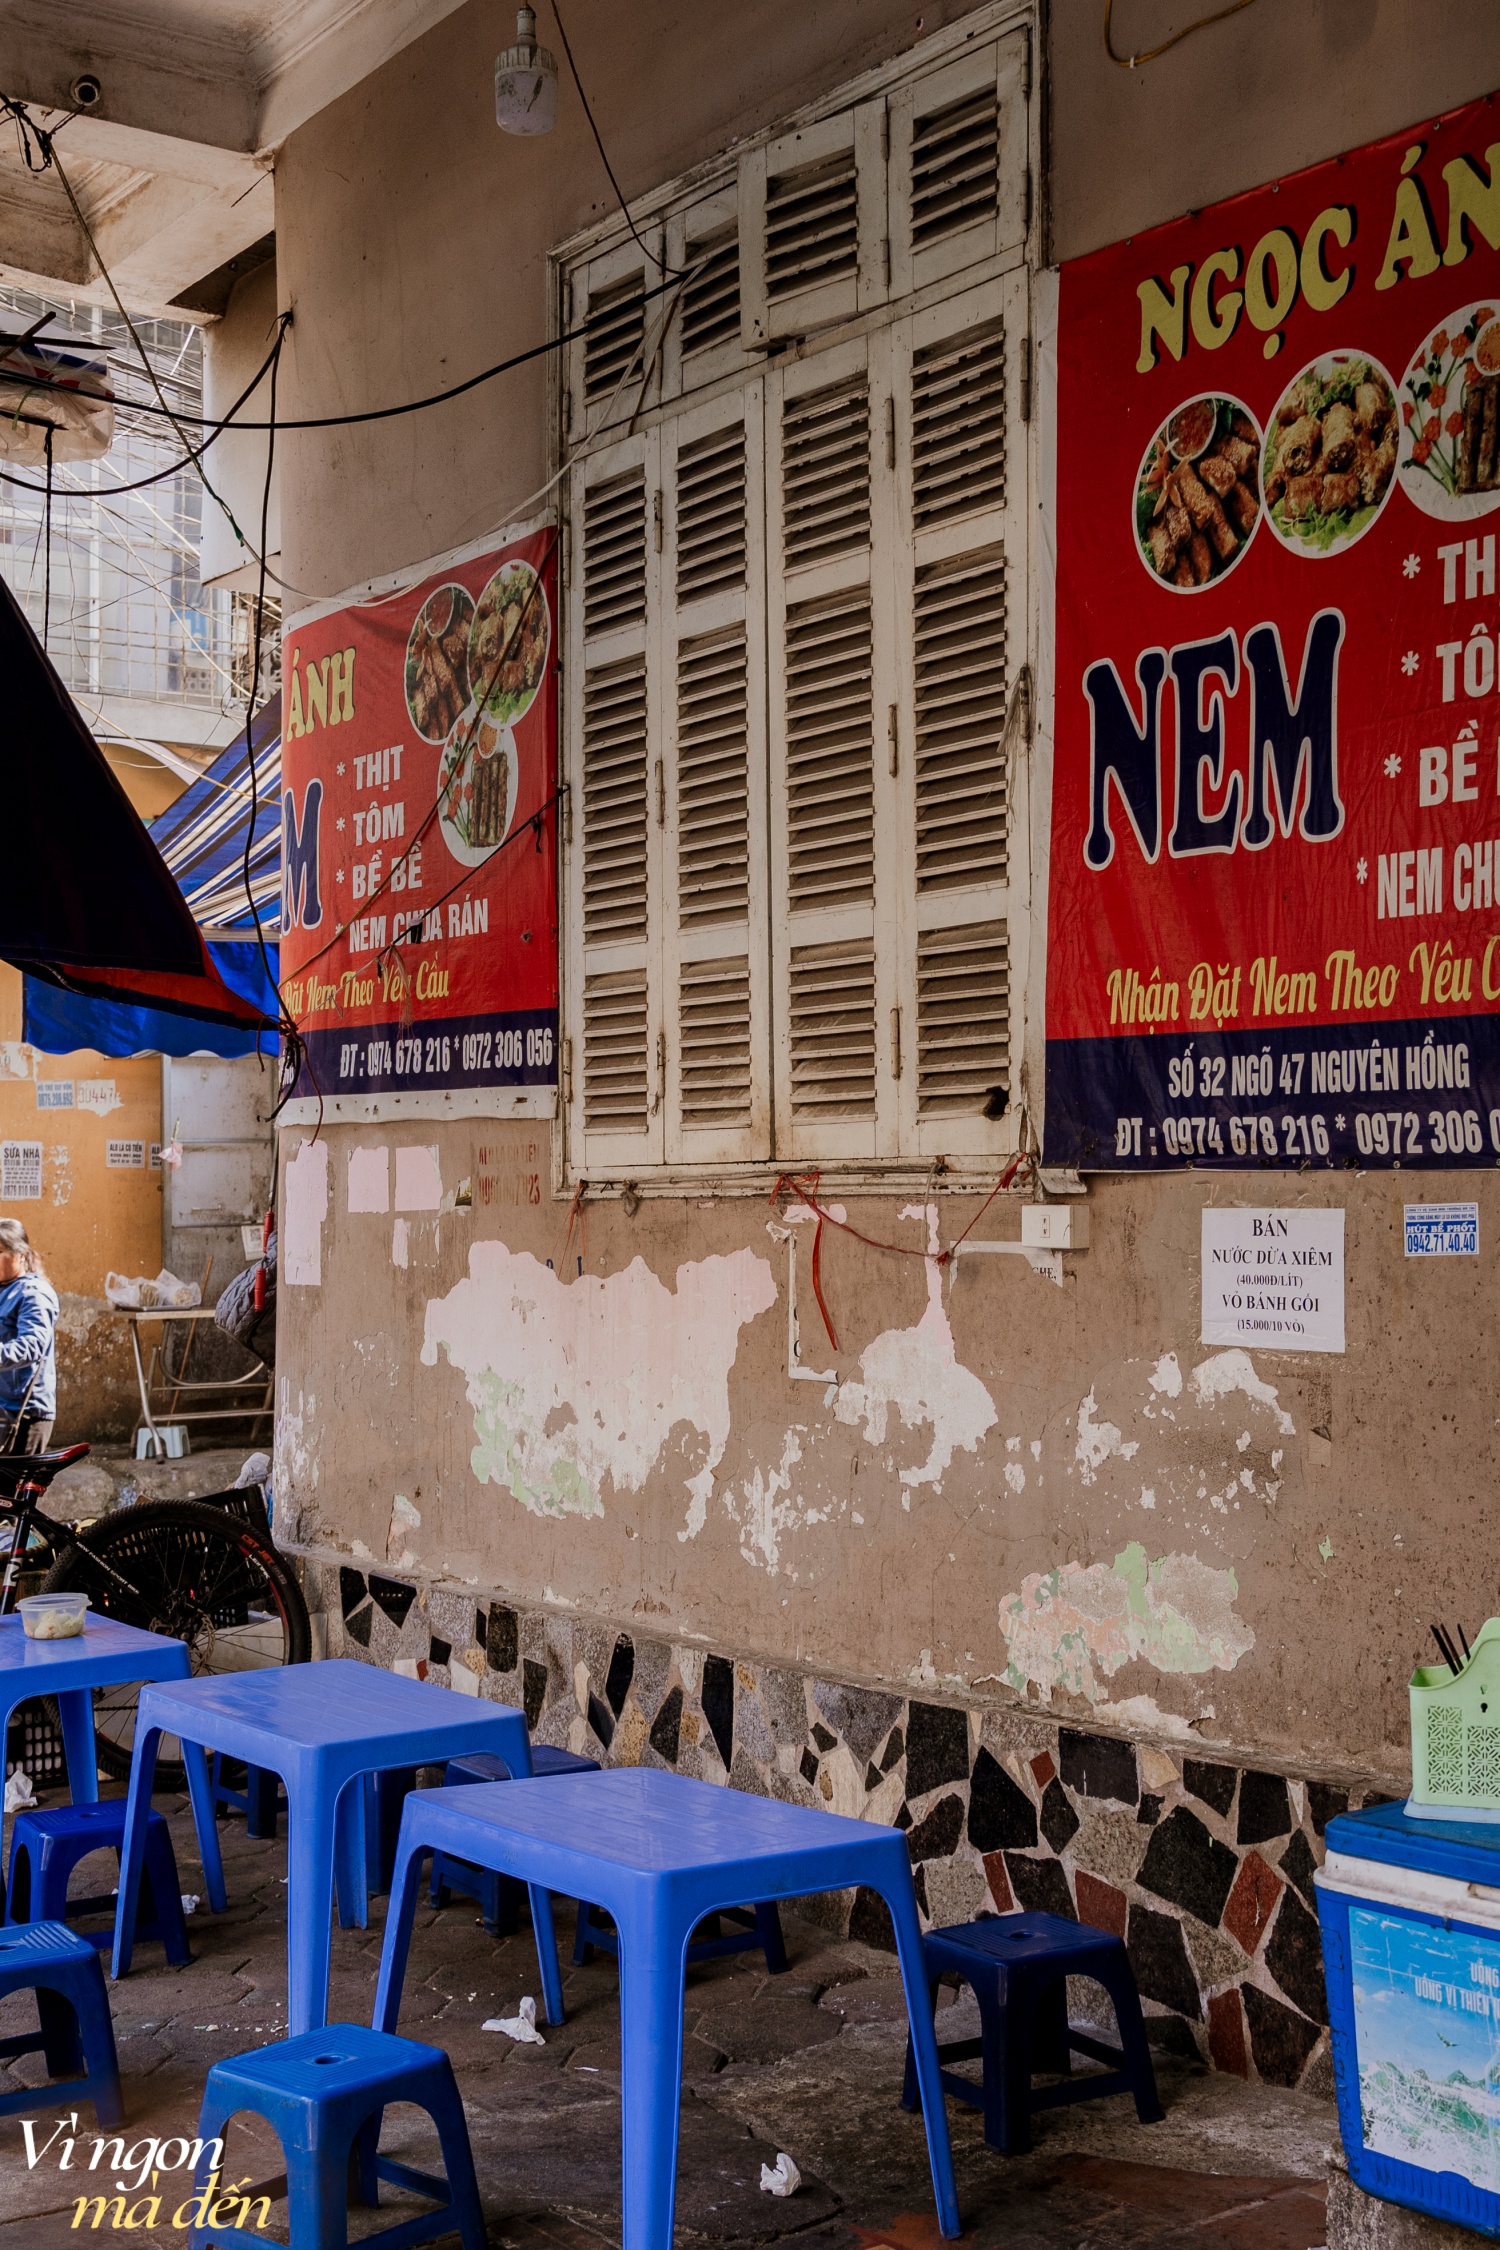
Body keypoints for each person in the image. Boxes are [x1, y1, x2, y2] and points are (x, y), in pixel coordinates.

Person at [0, 1218, 59, 1453]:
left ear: (21, 1254)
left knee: (16, 1489)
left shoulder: (33, 1293)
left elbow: (32, 1345)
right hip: (3, 1409)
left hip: (25, 1414)